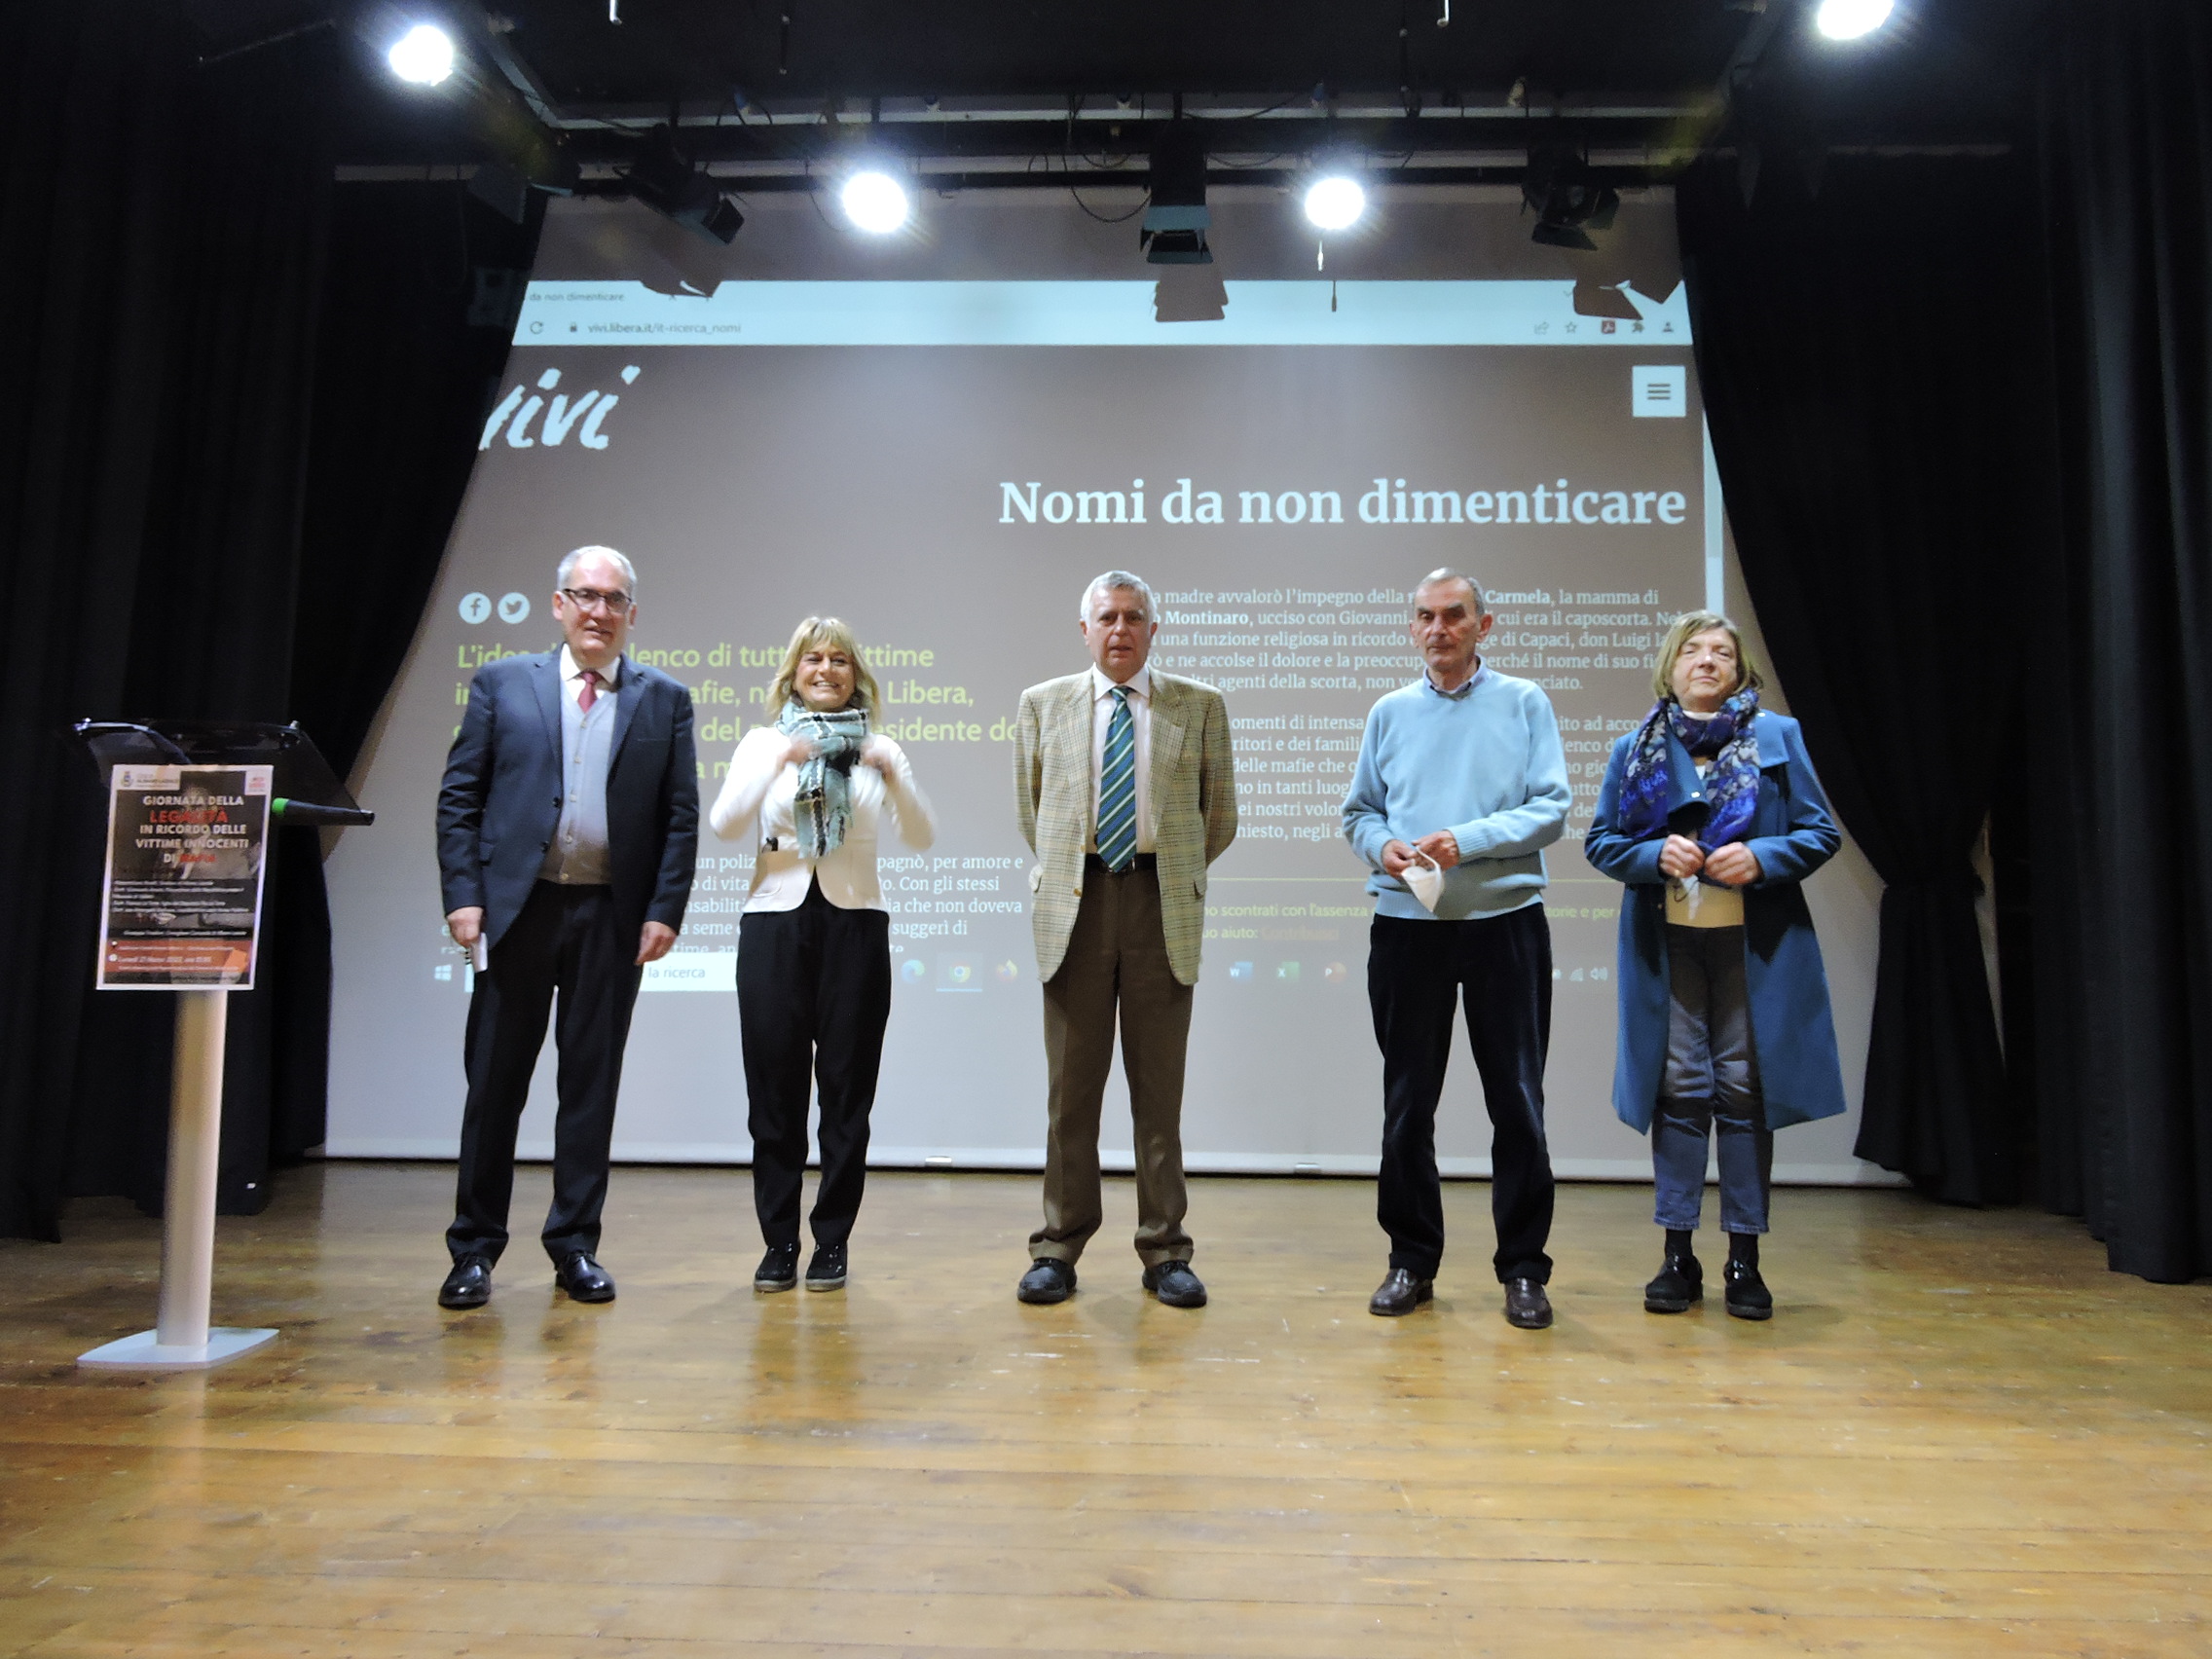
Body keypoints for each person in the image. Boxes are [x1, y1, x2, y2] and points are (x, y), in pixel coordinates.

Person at [435, 545, 698, 1309]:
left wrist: (663, 909)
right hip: (516, 914)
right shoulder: (501, 683)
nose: (598, 612)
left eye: (613, 600)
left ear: (631, 615)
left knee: (590, 1089)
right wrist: (464, 896)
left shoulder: (664, 700)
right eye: (584, 596)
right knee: (494, 1086)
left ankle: (574, 1246)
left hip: (610, 918)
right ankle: (473, 1252)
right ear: (558, 605)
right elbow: (461, 797)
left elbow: (679, 818)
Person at [1585, 611, 1845, 1320]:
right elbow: (1602, 843)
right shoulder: (1633, 748)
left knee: (1742, 1089)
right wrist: (1650, 856)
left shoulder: (1777, 737)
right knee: (1679, 1088)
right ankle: (1676, 1255)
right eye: (1692, 650)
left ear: (1740, 671)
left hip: (1751, 948)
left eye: (1721, 651)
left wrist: (1763, 857)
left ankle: (1744, 1259)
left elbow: (1820, 832)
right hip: (1667, 947)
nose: (1707, 660)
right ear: (1669, 669)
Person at [1341, 569, 1571, 1329]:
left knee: (1517, 1103)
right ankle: (1410, 1261)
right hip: (1408, 929)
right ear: (1413, 629)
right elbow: (1359, 814)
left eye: (1453, 616)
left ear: (1484, 624)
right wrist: (1387, 849)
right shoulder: (1389, 712)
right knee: (1408, 1105)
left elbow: (1552, 809)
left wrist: (1464, 842)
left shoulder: (1524, 702)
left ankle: (1524, 1270)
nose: (1438, 629)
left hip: (1505, 923)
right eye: (1424, 617)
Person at [1012, 570, 1236, 1309]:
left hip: (1157, 903)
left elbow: (1219, 817)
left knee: (1157, 1095)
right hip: (1074, 905)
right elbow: (1032, 810)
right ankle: (1058, 1247)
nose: (1120, 629)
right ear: (1085, 630)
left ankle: (1165, 1250)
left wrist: (1160, 869)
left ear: (1152, 628)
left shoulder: (1199, 708)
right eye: (1106, 617)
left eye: (1133, 616)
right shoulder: (1042, 705)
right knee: (1069, 1097)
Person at [709, 618, 935, 1293]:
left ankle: (830, 1241)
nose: (827, 669)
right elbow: (724, 824)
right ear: (794, 671)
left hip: (854, 925)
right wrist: (778, 762)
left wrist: (895, 778)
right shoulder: (762, 742)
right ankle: (778, 1240)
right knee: (773, 1094)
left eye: (840, 660)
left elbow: (921, 836)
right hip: (774, 923)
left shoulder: (880, 746)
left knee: (845, 1095)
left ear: (855, 674)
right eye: (814, 659)